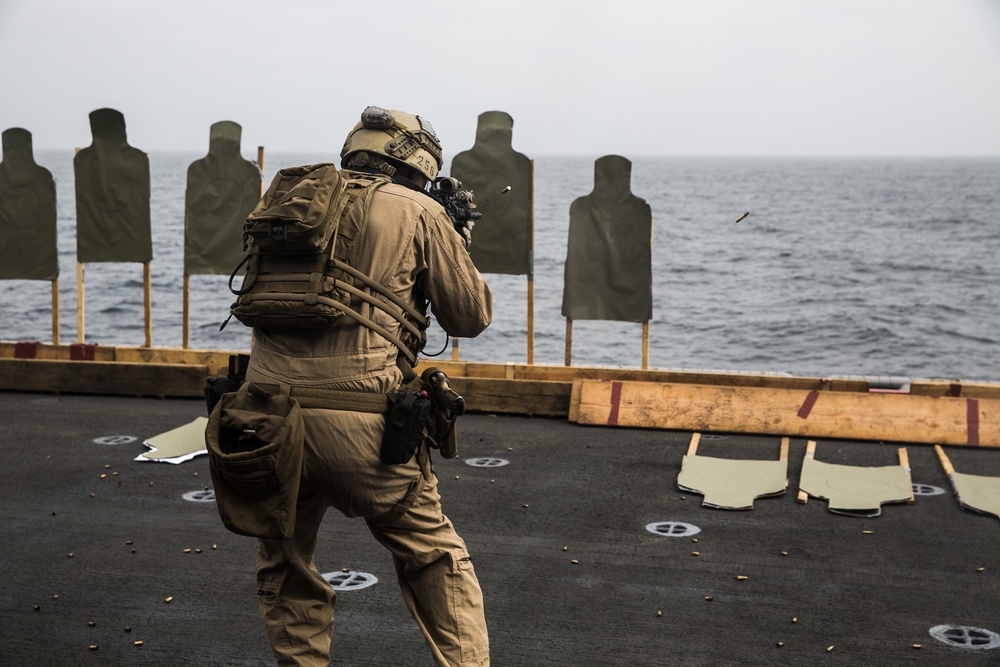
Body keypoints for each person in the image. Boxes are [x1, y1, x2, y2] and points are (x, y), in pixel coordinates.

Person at [244, 106, 492, 666]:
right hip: (365, 426)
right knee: (434, 557)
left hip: (264, 419)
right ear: (418, 163)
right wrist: (455, 236)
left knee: (286, 564)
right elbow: (470, 316)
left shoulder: (285, 202)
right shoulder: (419, 209)